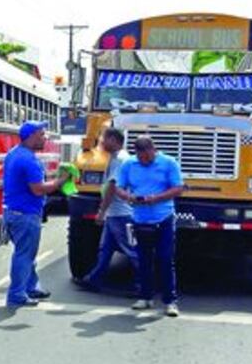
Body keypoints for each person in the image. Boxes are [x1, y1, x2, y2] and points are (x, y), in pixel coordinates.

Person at [115, 136, 186, 316]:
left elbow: (178, 188)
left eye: (147, 158)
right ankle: (145, 297)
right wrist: (128, 197)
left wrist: (156, 198)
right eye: (141, 158)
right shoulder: (129, 165)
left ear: (153, 150)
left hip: (163, 218)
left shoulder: (168, 163)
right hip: (139, 219)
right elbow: (118, 187)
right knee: (143, 260)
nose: (144, 161)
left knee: (165, 259)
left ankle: (170, 301)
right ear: (136, 154)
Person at [3, 120, 67, 308]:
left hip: (13, 212)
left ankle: (30, 287)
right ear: (30, 136)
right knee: (24, 255)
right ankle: (16, 294)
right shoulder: (28, 160)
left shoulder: (14, 154)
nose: (45, 137)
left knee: (26, 254)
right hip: (25, 214)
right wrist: (60, 182)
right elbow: (38, 189)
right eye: (41, 134)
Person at [75, 127, 139, 291]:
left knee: (131, 250)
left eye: (104, 139)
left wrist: (101, 212)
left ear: (113, 140)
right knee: (106, 249)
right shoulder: (117, 157)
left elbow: (112, 186)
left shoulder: (120, 159)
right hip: (115, 213)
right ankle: (94, 279)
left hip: (120, 213)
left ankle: (143, 284)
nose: (101, 142)